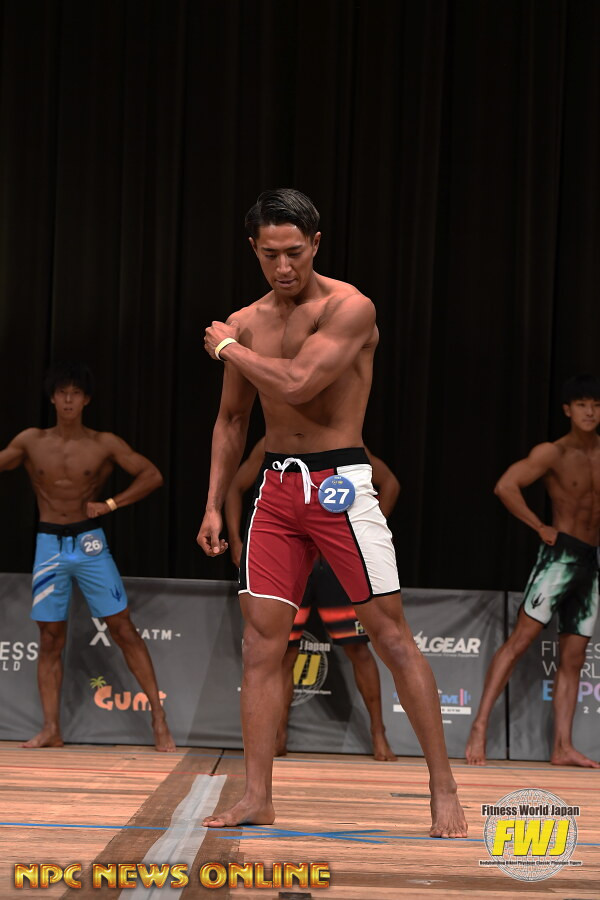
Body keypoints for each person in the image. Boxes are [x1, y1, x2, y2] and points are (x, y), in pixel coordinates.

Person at [197, 188, 467, 837]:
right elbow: (232, 419)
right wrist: (212, 503)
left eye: (294, 252)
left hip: (340, 482)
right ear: (253, 249)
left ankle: (445, 790)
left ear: (316, 243)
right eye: (270, 254)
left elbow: (298, 384)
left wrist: (229, 350)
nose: (283, 266)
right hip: (276, 490)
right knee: (261, 643)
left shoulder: (350, 307)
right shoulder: (246, 320)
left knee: (391, 636)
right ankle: (257, 796)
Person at [0, 362, 175, 752]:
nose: (68, 400)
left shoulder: (103, 444)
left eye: (75, 393)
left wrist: (111, 504)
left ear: (86, 400)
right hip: (48, 545)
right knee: (49, 637)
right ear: (52, 398)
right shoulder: (30, 441)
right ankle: (51, 728)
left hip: (89, 542)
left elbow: (152, 475)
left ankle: (159, 719)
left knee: (122, 628)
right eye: (62, 393)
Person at [226, 436, 400, 760]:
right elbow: (235, 487)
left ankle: (379, 734)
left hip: (333, 562)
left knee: (358, 649)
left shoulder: (338, 437)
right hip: (292, 557)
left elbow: (390, 483)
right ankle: (279, 736)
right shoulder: (273, 441)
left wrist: (362, 535)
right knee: (284, 652)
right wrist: (236, 540)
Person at [466, 374, 600, 767]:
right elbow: (506, 486)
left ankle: (563, 746)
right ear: (567, 410)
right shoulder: (553, 452)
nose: (590, 412)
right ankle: (479, 727)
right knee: (520, 641)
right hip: (559, 558)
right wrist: (539, 526)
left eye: (596, 405)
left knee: (574, 656)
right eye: (582, 404)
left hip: (592, 563)